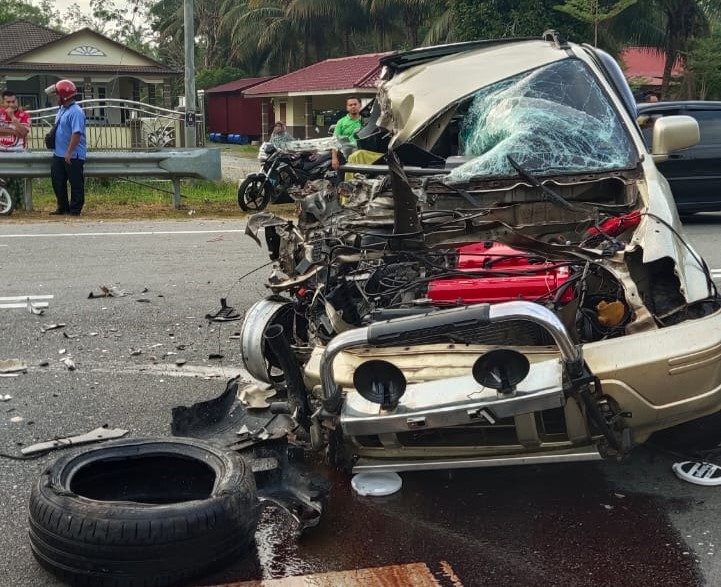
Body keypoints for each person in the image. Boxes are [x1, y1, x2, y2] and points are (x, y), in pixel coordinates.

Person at [45, 80, 86, 216]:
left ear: (64, 96)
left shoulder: (76, 112)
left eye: (57, 95)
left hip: (72, 155)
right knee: (58, 182)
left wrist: (69, 152)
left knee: (76, 184)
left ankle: (75, 210)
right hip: (59, 154)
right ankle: (62, 207)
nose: (56, 98)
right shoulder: (62, 110)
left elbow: (77, 133)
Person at [331, 96, 363, 170]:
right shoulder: (341, 122)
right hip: (344, 157)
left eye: (355, 104)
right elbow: (334, 141)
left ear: (360, 105)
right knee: (343, 180)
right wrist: (334, 158)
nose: (353, 106)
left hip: (361, 156)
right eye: (350, 105)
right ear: (347, 107)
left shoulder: (366, 121)